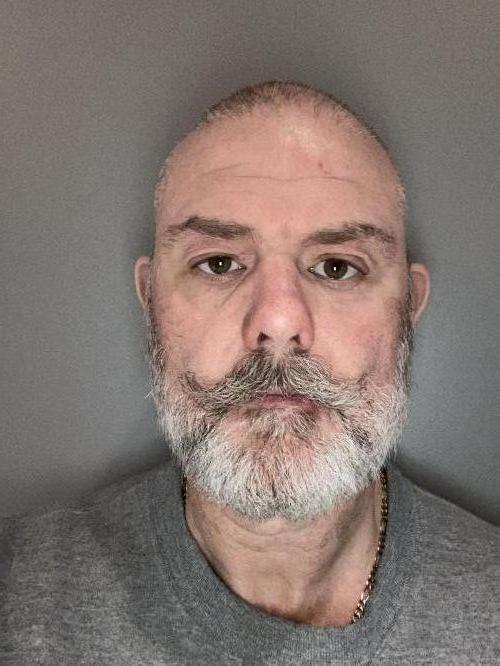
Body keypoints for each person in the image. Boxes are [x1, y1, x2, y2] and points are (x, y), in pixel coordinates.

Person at [1, 81, 498, 664]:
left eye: (338, 267)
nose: (278, 322)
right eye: (218, 263)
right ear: (151, 299)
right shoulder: (18, 594)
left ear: (408, 306)